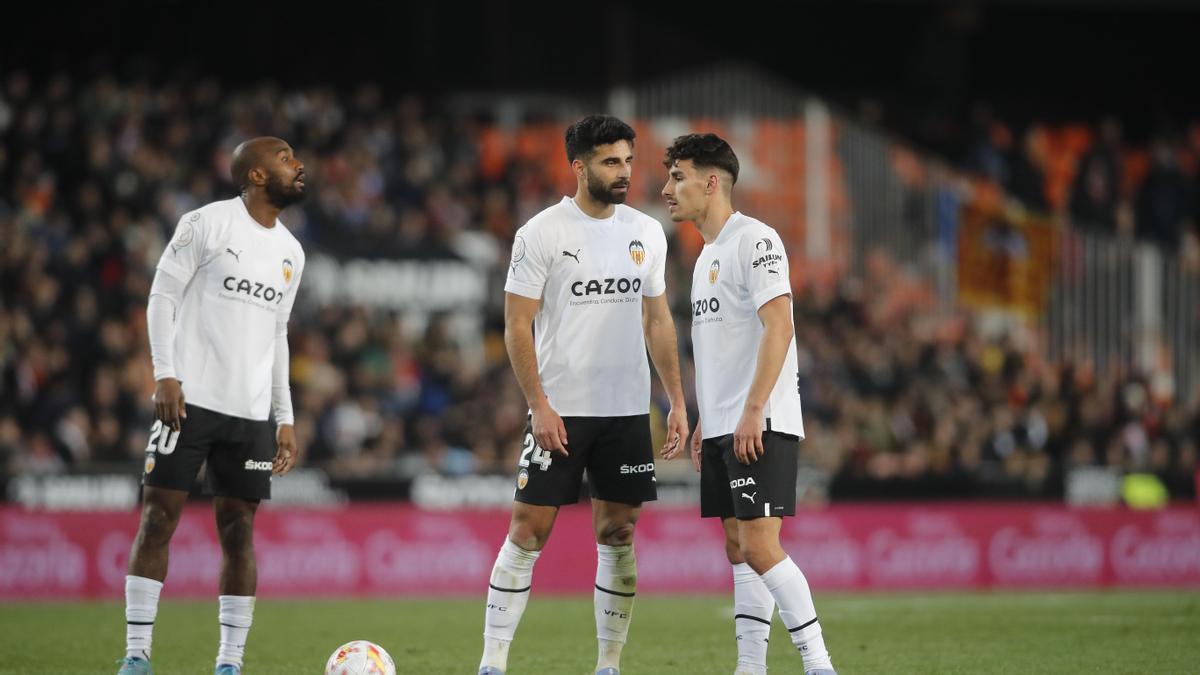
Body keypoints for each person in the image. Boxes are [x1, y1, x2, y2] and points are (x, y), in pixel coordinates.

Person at [479, 115, 688, 675]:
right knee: (527, 531)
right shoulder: (542, 233)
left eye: (627, 160)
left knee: (617, 533)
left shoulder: (646, 232)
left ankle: (608, 666)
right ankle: (492, 663)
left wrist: (675, 400)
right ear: (579, 166)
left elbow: (658, 320)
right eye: (610, 162)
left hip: (625, 413)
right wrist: (539, 405)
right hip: (561, 411)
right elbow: (516, 325)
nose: (624, 172)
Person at [117, 137, 308, 675]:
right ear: (255, 175)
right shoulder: (205, 224)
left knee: (239, 533)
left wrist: (285, 416)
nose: (299, 166)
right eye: (286, 158)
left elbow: (278, 336)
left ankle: (229, 662)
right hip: (190, 401)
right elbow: (162, 297)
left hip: (248, 416)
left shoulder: (292, 252)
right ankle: (136, 655)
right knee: (157, 519)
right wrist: (165, 375)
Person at [661, 133, 836, 675]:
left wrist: (754, 408)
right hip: (724, 426)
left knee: (760, 546)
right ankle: (750, 667)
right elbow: (721, 350)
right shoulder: (705, 256)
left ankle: (820, 665)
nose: (667, 188)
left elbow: (779, 326)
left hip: (759, 422)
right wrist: (706, 420)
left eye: (678, 177)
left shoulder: (755, 240)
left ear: (711, 182)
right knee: (738, 547)